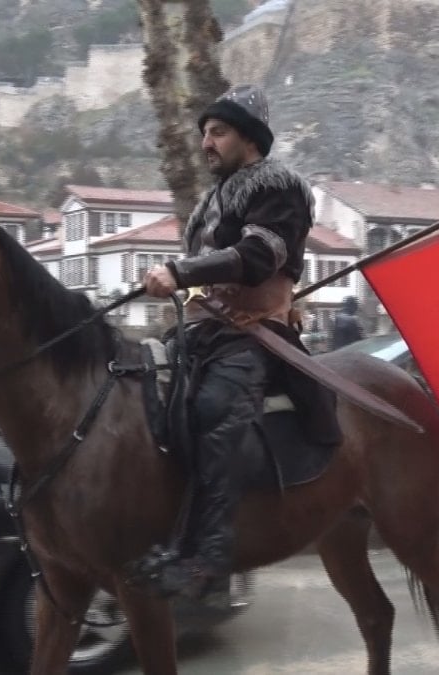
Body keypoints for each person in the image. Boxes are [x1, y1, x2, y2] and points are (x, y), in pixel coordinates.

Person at [137, 84, 340, 607]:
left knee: (216, 407)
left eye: (218, 132)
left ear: (249, 139)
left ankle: (209, 558)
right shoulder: (213, 199)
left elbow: (257, 256)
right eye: (205, 133)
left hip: (255, 332)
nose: (207, 143)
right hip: (202, 332)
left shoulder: (279, 187)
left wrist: (179, 272)